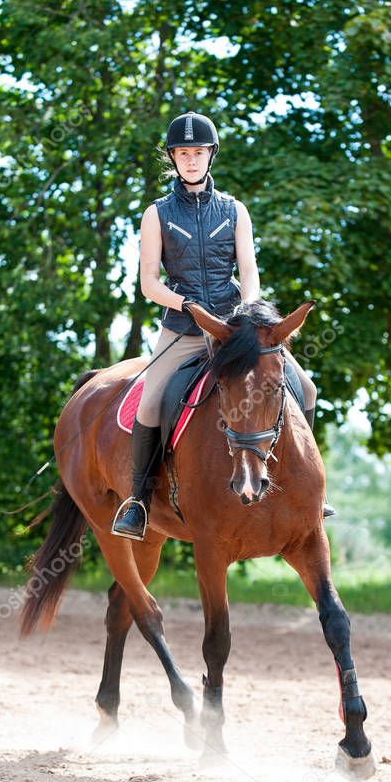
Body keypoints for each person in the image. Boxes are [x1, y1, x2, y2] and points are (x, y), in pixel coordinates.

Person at [111, 110, 333, 541]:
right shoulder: (156, 214)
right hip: (183, 329)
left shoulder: (235, 210)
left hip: (235, 333)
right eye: (182, 153)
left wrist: (249, 311)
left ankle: (306, 488)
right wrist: (187, 304)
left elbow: (248, 271)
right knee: (150, 404)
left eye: (198, 152)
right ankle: (138, 501)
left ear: (210, 155)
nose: (190, 160)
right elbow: (148, 284)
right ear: (172, 158)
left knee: (305, 389)